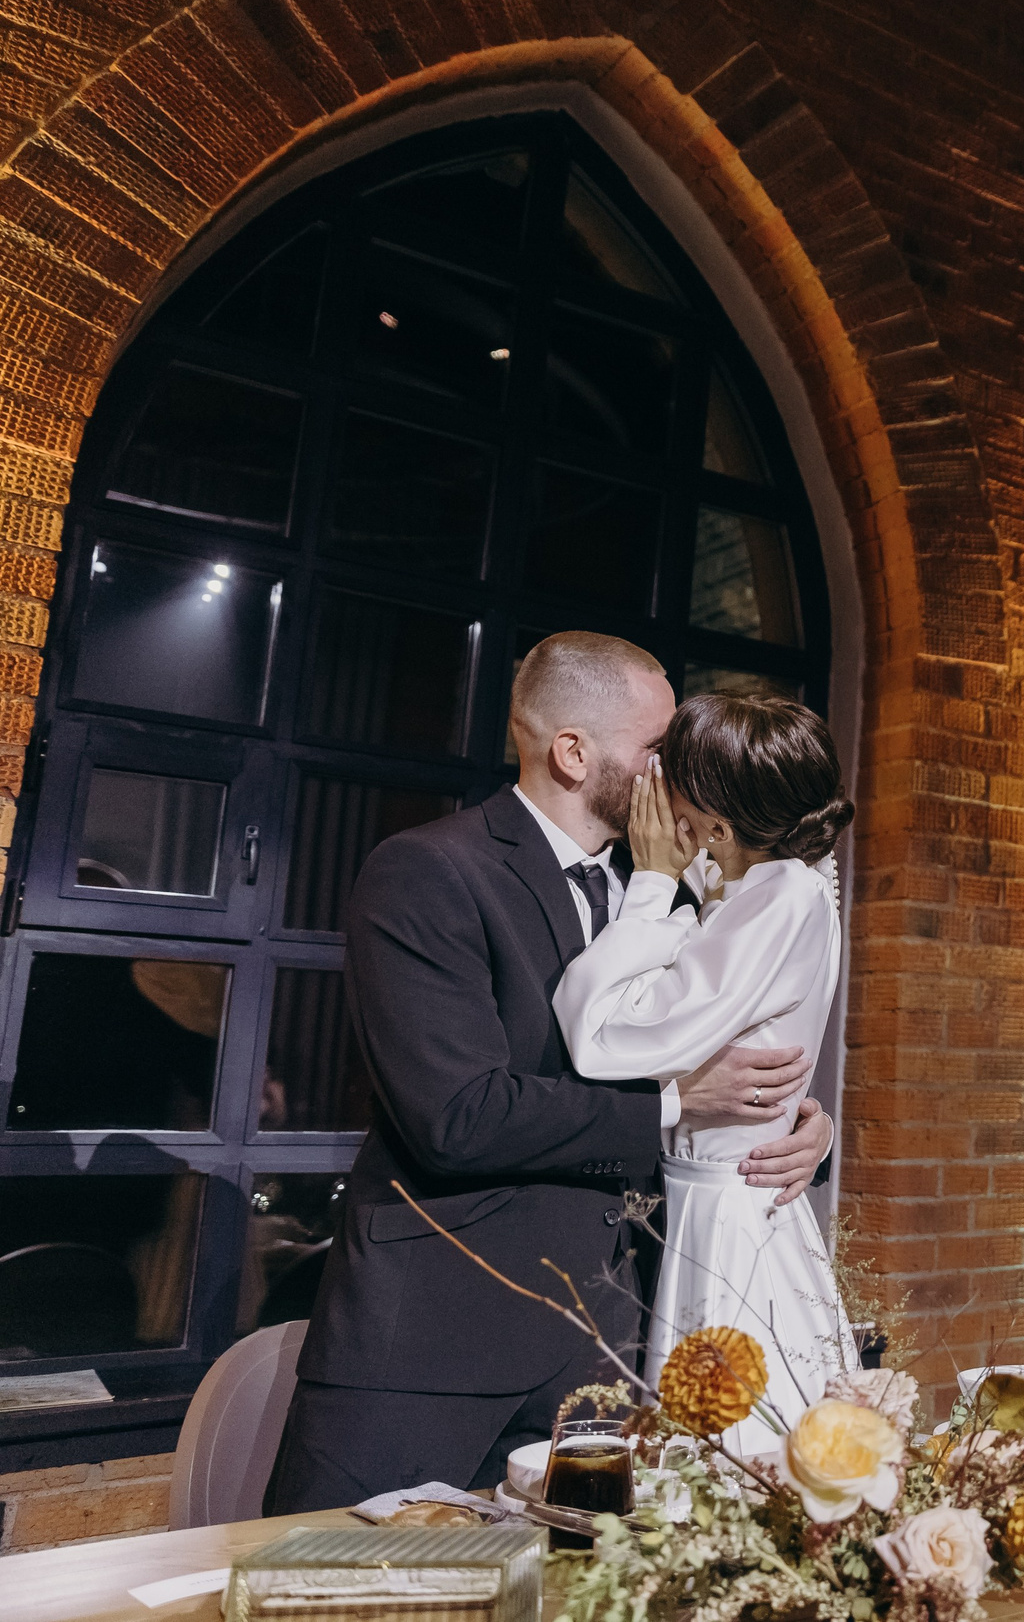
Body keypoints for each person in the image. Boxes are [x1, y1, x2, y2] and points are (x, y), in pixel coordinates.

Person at [266, 634, 835, 1512]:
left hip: (608, 1344)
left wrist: (797, 1123)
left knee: (583, 1576)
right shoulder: (430, 869)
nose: (678, 772)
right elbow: (459, 1114)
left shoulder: (678, 887)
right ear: (573, 752)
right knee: (338, 1573)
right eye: (659, 747)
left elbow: (732, 1035)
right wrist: (678, 1103)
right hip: (437, 1338)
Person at [555, 694, 857, 1452]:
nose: (654, 783)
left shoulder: (781, 895)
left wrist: (653, 883)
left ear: (718, 826)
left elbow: (607, 1036)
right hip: (707, 1201)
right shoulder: (763, 885)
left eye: (673, 774)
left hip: (726, 1216)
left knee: (730, 1447)